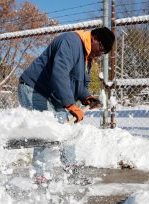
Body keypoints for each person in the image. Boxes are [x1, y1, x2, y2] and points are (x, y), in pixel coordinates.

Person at [17, 27, 115, 183]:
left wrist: (86, 97)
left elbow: (77, 84)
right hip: (34, 89)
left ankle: (70, 170)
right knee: (46, 132)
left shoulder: (85, 56)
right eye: (101, 48)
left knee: (66, 131)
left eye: (103, 53)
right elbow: (60, 73)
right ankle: (41, 177)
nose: (100, 53)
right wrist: (70, 104)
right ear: (95, 38)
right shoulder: (71, 41)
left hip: (53, 96)